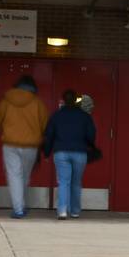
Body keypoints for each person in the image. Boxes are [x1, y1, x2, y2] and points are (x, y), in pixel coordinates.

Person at [0, 74, 48, 218]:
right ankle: (21, 205)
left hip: (10, 144)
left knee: (14, 175)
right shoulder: (38, 103)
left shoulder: (6, 101)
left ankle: (18, 209)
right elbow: (45, 124)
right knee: (25, 175)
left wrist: (6, 130)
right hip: (31, 145)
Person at [43, 89, 97, 220]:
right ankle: (75, 211)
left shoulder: (56, 115)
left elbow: (49, 135)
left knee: (63, 182)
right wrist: (88, 144)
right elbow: (91, 135)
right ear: (76, 100)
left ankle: (62, 210)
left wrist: (46, 152)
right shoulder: (84, 116)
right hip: (79, 152)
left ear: (63, 100)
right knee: (76, 182)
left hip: (61, 152)